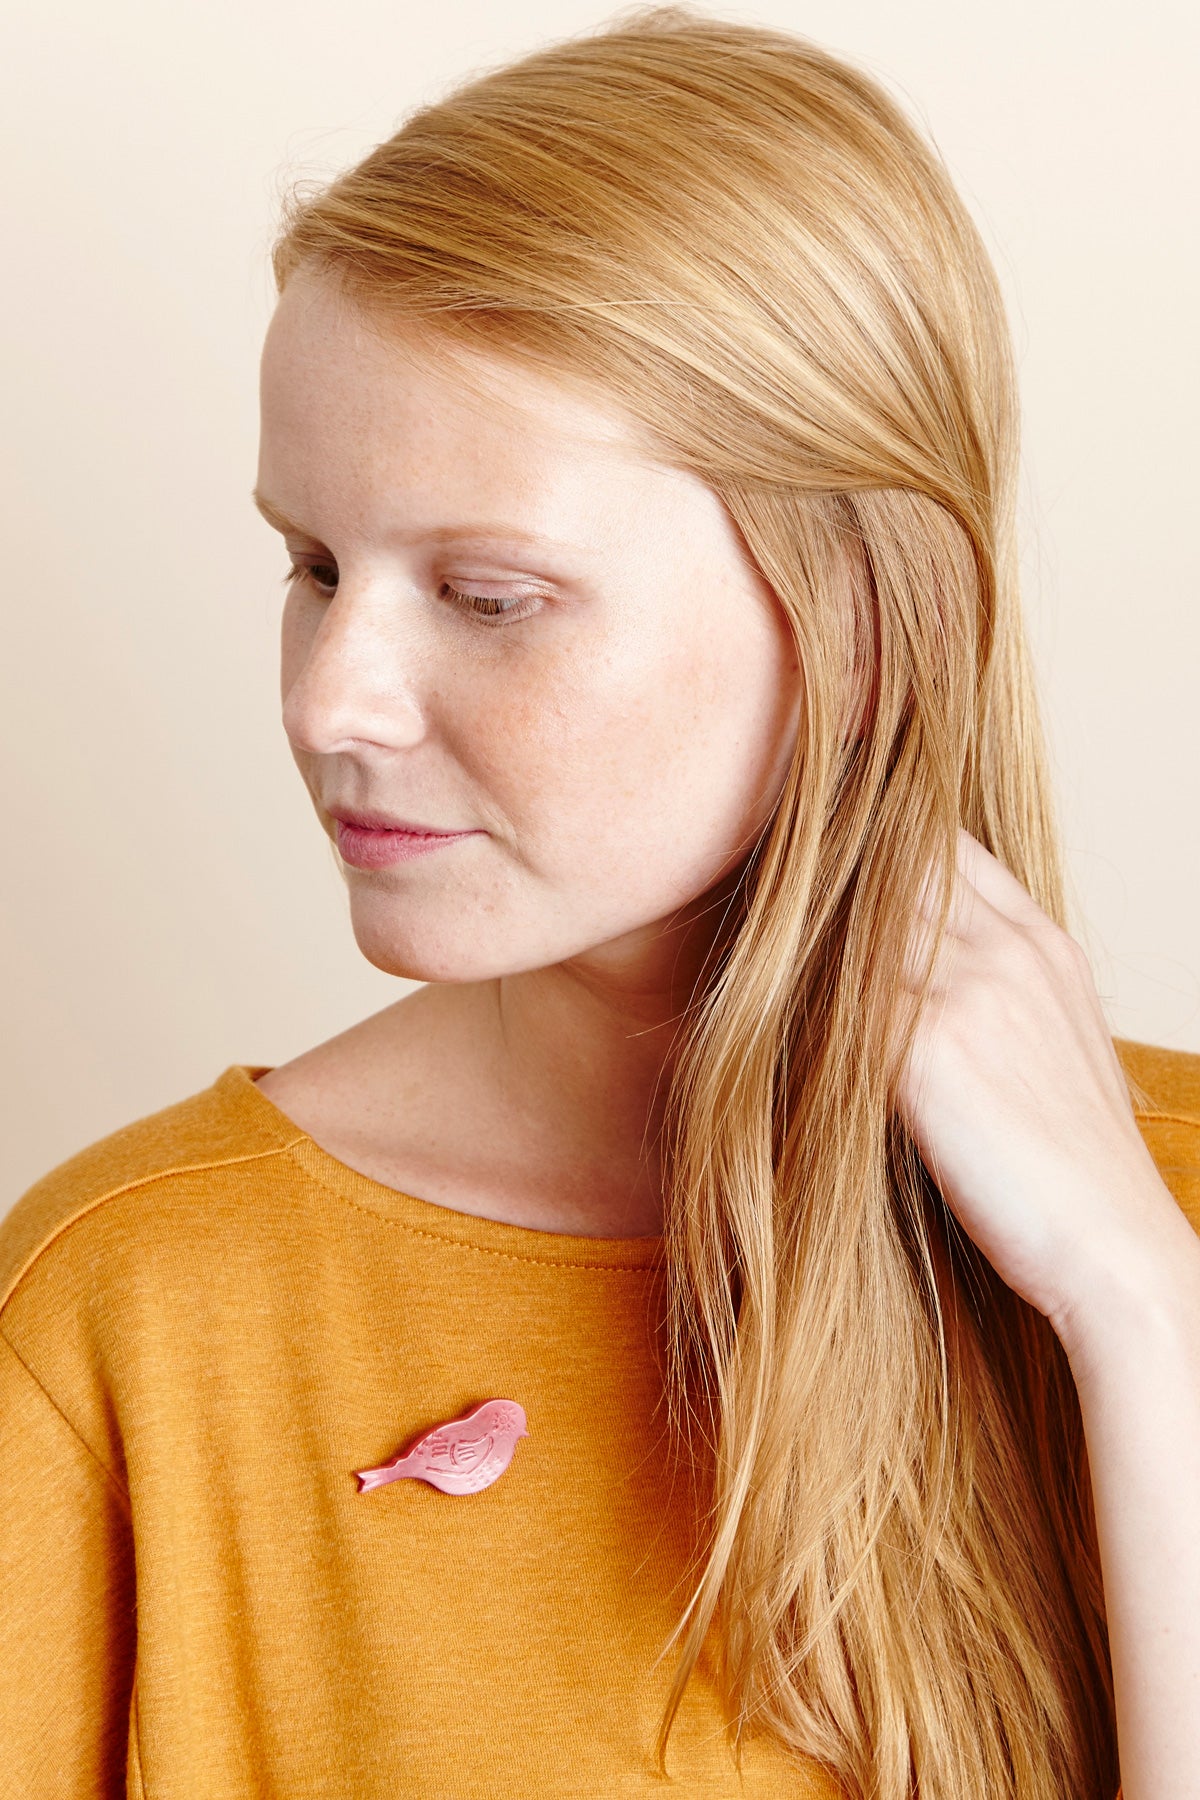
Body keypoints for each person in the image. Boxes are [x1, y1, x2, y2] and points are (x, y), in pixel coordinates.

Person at [2, 7, 1197, 1797]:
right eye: (311, 566)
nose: (330, 699)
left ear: (859, 628)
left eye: (491, 595)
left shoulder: (1167, 1218)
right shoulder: (132, 1315)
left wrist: (1139, 1318)